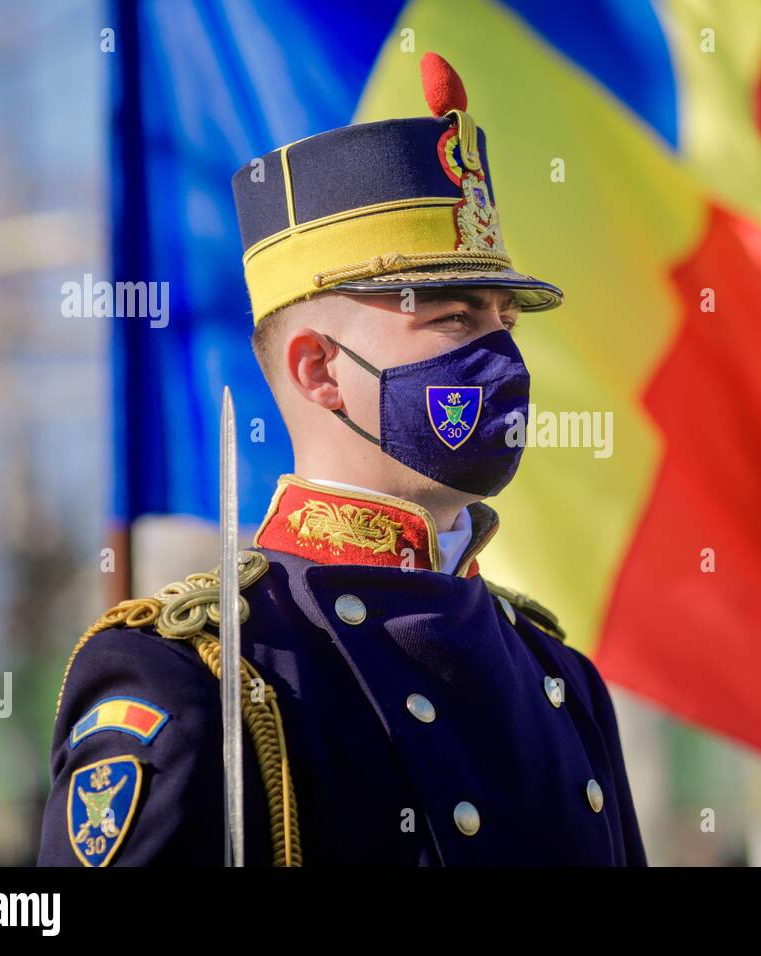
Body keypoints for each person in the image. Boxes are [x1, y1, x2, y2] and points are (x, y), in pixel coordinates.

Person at [37, 52, 646, 866]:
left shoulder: (560, 678)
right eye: (456, 320)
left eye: (507, 318)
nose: (503, 354)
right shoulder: (197, 676)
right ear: (318, 370)